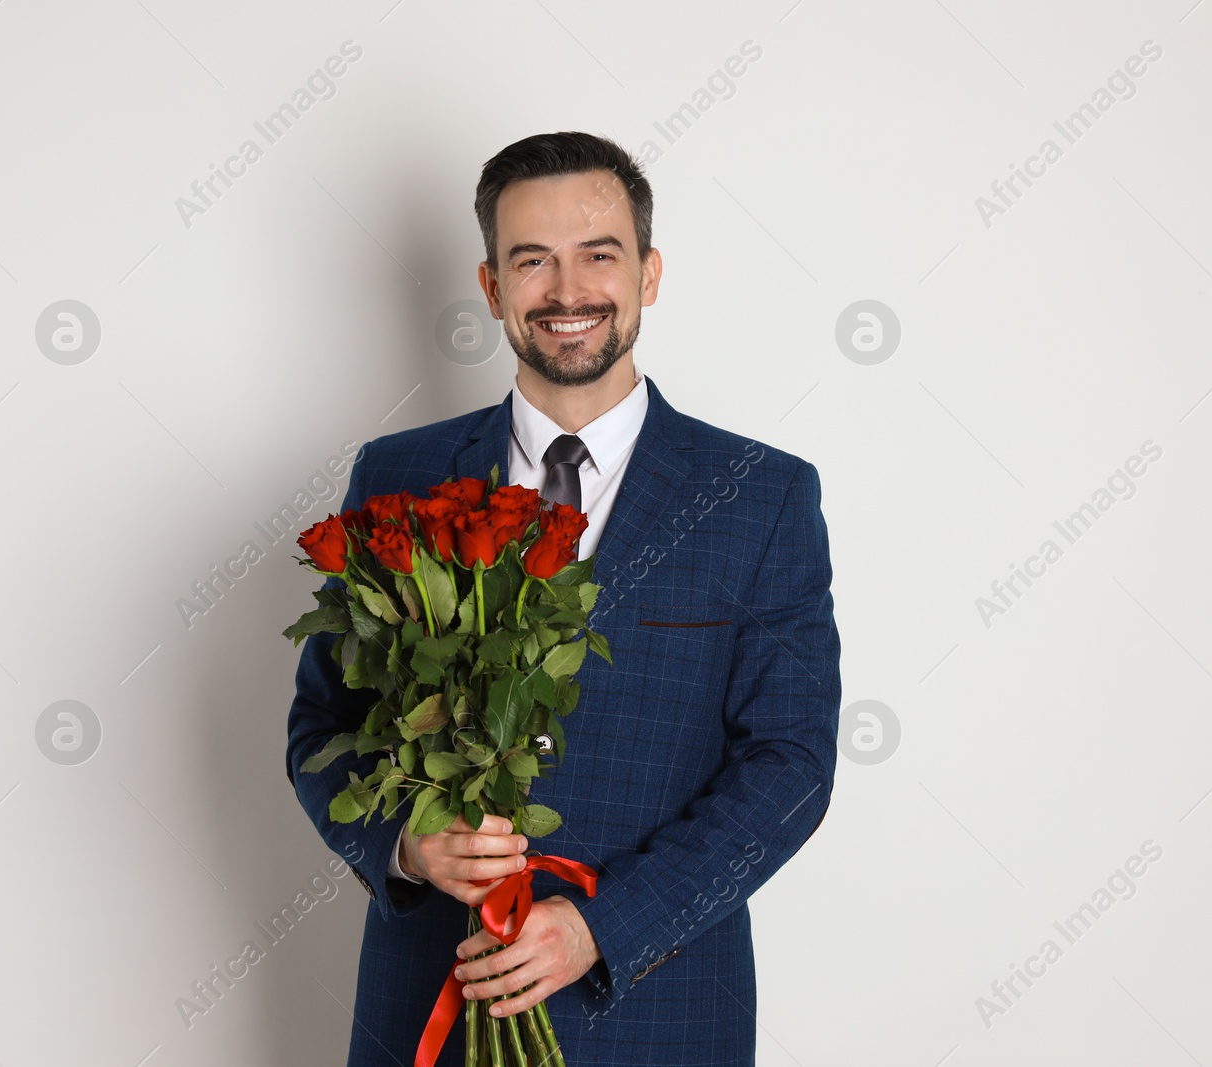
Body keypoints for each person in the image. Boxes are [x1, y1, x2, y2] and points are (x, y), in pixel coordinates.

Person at [286, 131, 841, 1066]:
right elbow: (321, 723)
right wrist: (408, 848)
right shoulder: (397, 476)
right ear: (493, 286)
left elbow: (789, 767)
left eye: (599, 254)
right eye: (532, 260)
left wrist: (601, 926)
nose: (567, 290)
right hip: (428, 996)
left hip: (659, 1010)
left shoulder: (762, 493)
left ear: (649, 273)